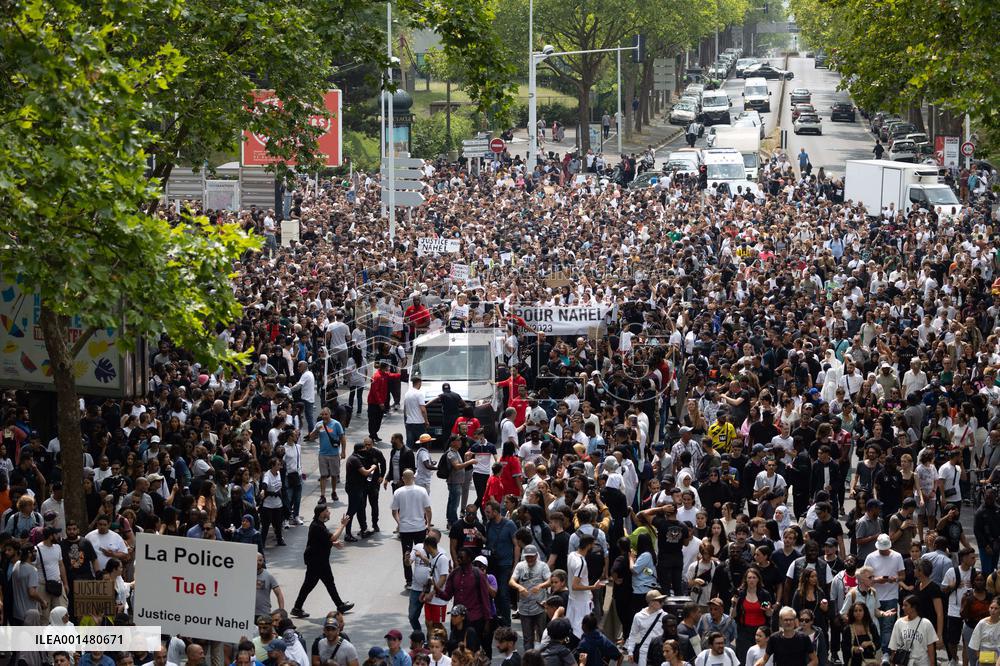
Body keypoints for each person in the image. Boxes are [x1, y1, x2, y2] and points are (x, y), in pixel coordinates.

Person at [290, 504, 355, 618]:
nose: (329, 513)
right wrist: (342, 525)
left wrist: (332, 544)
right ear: (321, 513)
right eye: (327, 511)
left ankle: (297, 607)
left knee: (315, 584)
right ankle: (339, 605)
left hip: (318, 559)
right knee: (321, 583)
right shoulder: (316, 526)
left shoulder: (319, 525)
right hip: (317, 560)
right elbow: (333, 537)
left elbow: (322, 540)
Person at [863, 534, 905, 658]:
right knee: (874, 625)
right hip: (874, 596)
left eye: (885, 548)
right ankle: (876, 650)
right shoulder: (870, 557)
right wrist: (876, 580)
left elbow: (902, 575)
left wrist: (894, 579)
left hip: (891, 596)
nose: (883, 551)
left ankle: (885, 652)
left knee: (888, 626)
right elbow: (863, 576)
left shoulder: (897, 556)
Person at [393, 469, 433, 587]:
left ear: (403, 479)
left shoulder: (398, 492)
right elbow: (428, 509)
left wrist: (399, 523)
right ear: (414, 478)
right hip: (420, 527)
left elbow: (394, 511)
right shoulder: (422, 491)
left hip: (405, 529)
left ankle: (409, 581)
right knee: (421, 553)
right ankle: (423, 578)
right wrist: (428, 524)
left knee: (407, 554)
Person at [510, 544, 552, 651]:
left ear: (536, 555)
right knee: (527, 638)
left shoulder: (543, 566)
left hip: (539, 607)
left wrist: (540, 586)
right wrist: (519, 587)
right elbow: (511, 581)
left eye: (532, 556)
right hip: (525, 608)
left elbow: (550, 580)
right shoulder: (520, 566)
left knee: (543, 635)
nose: (529, 559)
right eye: (527, 556)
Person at [307, 407, 346, 504]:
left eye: (326, 414)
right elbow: (311, 437)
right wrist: (315, 431)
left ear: (329, 414)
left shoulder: (336, 424)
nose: (324, 416)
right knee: (323, 475)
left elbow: (342, 438)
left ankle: (333, 492)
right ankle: (322, 495)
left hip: (334, 454)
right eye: (322, 414)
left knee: (334, 475)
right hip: (323, 454)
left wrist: (343, 451)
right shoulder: (319, 425)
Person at [887, 595, 937, 666]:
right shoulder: (899, 622)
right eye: (902, 605)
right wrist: (892, 662)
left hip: (922, 662)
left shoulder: (926, 623)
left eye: (906, 605)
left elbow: (930, 647)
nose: (903, 608)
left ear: (914, 607)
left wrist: (932, 664)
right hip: (904, 662)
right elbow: (894, 645)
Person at [626, 590, 666, 665]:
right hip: (644, 652)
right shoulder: (638, 616)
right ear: (651, 602)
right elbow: (633, 634)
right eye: (659, 601)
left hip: (659, 652)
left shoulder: (665, 616)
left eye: (662, 600)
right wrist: (630, 651)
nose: (662, 603)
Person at [967, 599, 1000, 666]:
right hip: (984, 657)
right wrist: (981, 658)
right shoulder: (982, 623)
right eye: (991, 608)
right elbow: (975, 644)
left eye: (996, 608)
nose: (993, 610)